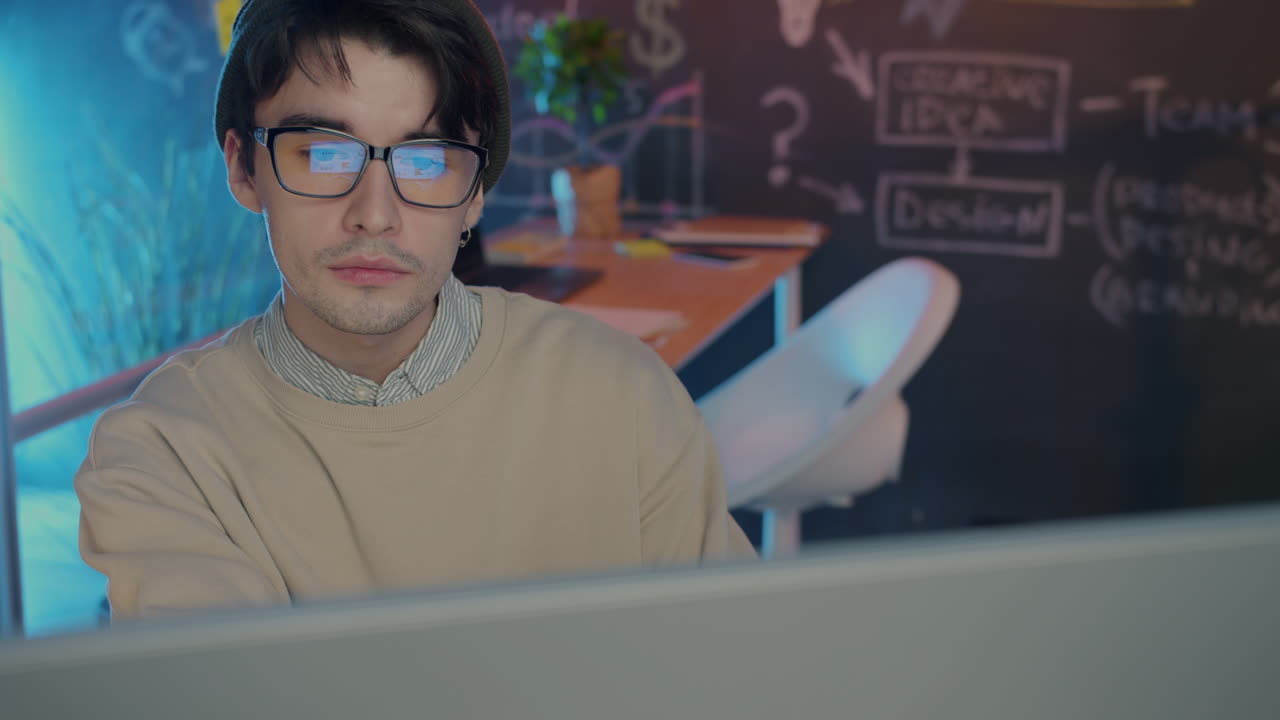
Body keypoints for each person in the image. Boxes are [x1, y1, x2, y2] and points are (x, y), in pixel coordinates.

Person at [74, 0, 753, 619]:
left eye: (426, 162)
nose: (375, 215)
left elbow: (730, 670)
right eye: (323, 153)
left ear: (476, 194)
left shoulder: (623, 395)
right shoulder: (164, 451)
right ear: (243, 170)